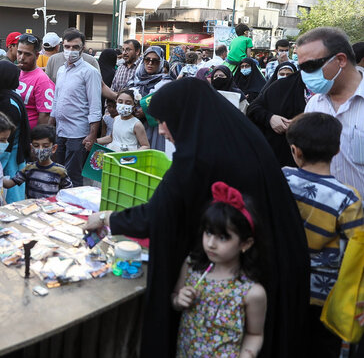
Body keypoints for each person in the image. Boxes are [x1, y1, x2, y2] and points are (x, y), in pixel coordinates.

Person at [84, 78, 309, 357]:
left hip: (249, 277)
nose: (162, 130)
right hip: (277, 256)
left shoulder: (196, 155)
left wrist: (107, 218)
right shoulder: (236, 132)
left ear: (184, 115)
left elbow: (157, 215)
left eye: (166, 120)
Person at [283, 112, 364, 358]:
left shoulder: (282, 178)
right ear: (337, 150)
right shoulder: (348, 197)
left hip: (285, 285)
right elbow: (358, 249)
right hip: (325, 298)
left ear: (295, 151)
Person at [172, 181, 267, 358]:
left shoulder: (251, 292)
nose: (210, 244)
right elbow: (175, 298)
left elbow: (255, 334)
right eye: (208, 233)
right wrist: (179, 300)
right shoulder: (192, 266)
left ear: (245, 244)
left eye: (223, 237)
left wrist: (248, 353)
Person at [299, 27, 364, 196]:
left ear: (340, 60)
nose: (306, 75)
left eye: (311, 66)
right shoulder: (314, 105)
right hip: (323, 215)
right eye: (302, 68)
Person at [49, 30, 102, 187]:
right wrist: (50, 125)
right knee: (58, 174)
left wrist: (92, 135)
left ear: (82, 48)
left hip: (78, 133)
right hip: (60, 131)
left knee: (73, 177)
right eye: (67, 46)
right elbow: (56, 99)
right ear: (62, 47)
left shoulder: (90, 72)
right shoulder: (61, 70)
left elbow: (95, 106)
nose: (70, 51)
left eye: (75, 47)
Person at [0, 60, 30, 204]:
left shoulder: (6, 103)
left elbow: (6, 139)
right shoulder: (11, 97)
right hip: (14, 156)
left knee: (9, 199)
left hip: (8, 158)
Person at [3, 124, 72, 199]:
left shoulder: (60, 171)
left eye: (45, 146)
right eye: (36, 145)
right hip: (33, 208)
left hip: (52, 209)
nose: (40, 149)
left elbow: (69, 193)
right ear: (31, 147)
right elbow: (9, 184)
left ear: (53, 148)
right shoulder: (29, 168)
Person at [128, 46, 171, 150]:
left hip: (154, 130)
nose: (150, 63)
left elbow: (170, 108)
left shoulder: (166, 83)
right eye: (147, 60)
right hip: (133, 128)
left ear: (161, 62)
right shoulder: (134, 79)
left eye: (155, 61)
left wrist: (147, 111)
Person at [16, 34, 55, 129]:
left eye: (27, 54)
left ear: (37, 55)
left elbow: (45, 116)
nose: (21, 57)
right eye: (19, 52)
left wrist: (36, 140)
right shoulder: (15, 73)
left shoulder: (42, 80)